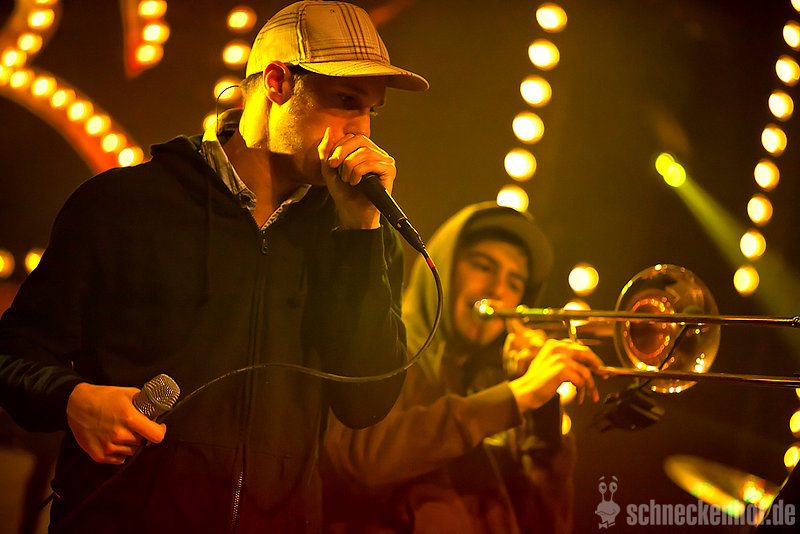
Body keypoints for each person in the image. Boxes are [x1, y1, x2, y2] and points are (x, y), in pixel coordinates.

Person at [0, 2, 428, 532]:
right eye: (346, 102)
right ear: (277, 83)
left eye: (371, 112)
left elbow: (366, 402)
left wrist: (361, 234)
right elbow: (13, 353)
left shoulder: (356, 228)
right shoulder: (126, 202)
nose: (360, 132)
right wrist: (72, 399)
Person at [323, 202, 603, 534]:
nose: (498, 290)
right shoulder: (382, 349)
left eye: (514, 283)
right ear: (444, 267)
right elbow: (363, 461)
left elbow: (548, 525)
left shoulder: (492, 387)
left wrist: (541, 416)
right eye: (483, 266)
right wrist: (514, 397)